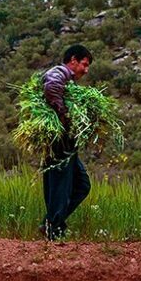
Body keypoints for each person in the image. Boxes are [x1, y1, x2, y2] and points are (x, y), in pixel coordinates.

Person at [40, 44, 92, 240]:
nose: (85, 70)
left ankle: (51, 222)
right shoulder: (60, 72)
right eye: (84, 65)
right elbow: (51, 87)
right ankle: (54, 229)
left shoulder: (69, 80)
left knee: (82, 185)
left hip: (67, 143)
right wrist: (64, 115)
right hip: (59, 141)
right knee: (60, 187)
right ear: (73, 60)